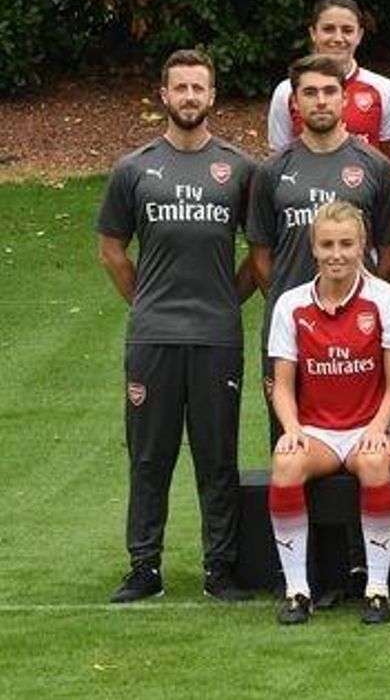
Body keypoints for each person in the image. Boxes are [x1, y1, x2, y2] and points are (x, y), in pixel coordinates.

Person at [97, 48, 257, 604]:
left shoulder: (238, 169)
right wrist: (146, 302)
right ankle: (145, 567)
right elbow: (112, 249)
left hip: (216, 337)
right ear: (163, 96)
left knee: (217, 457)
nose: (190, 97)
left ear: (213, 96)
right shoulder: (134, 168)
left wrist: (225, 300)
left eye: (199, 88)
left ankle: (221, 568)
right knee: (149, 457)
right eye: (180, 88)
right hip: (153, 338)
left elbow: (258, 254)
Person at [247, 53, 390, 608]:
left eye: (328, 92)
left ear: (344, 98)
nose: (319, 101)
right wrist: (302, 313)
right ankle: (306, 580)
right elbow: (260, 255)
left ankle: (367, 573)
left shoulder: (374, 166)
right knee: (288, 453)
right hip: (298, 329)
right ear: (295, 102)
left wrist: (358, 305)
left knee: (370, 455)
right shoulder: (272, 170)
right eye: (308, 93)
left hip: (357, 330)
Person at [265, 202, 390, 625]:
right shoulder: (291, 305)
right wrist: (291, 429)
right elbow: (283, 385)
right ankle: (296, 590)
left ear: (363, 245)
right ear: (313, 248)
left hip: (377, 423)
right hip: (320, 432)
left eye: (347, 244)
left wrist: (378, 427)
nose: (337, 254)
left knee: (373, 459)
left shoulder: (385, 299)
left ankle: (378, 590)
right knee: (285, 461)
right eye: (327, 244)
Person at [267, 0, 390, 159]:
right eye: (328, 29)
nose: (338, 38)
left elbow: (387, 159)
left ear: (359, 35)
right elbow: (280, 157)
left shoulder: (385, 89)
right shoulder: (286, 91)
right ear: (313, 33)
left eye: (347, 30)